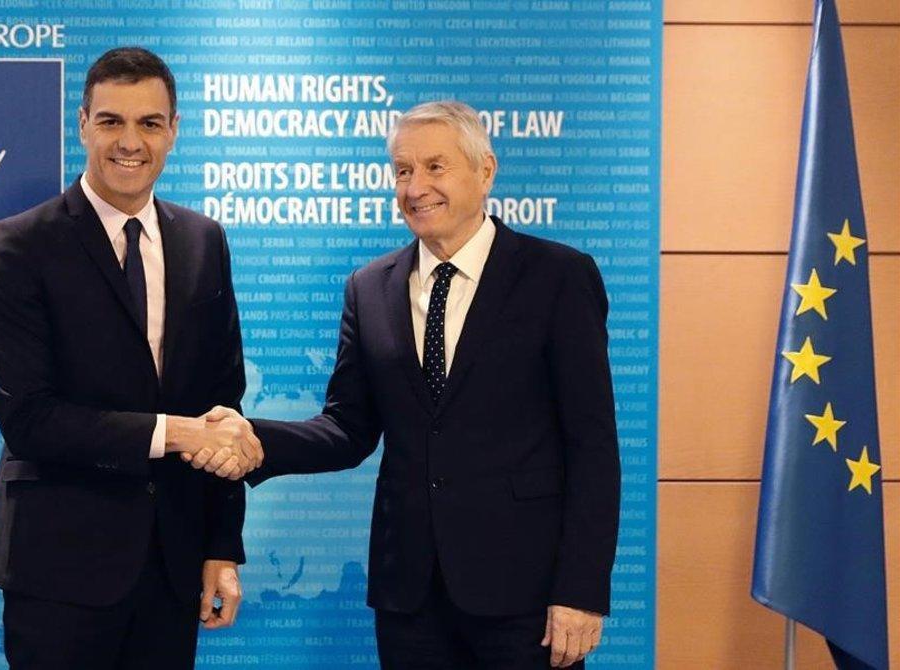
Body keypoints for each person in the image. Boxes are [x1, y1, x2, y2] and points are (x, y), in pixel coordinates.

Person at [202, 101, 620, 668]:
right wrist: (255, 438)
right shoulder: (370, 287)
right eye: (402, 170)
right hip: (410, 597)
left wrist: (581, 592)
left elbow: (592, 446)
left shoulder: (558, 278)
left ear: (486, 171)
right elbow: (348, 427)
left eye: (435, 167)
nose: (415, 186)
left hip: (525, 597)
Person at [0, 46, 261, 670]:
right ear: (82, 125)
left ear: (173, 131)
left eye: (149, 123)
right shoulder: (19, 246)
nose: (129, 142)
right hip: (58, 571)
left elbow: (223, 405)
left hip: (171, 565)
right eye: (111, 121)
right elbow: (28, 419)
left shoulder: (203, 242)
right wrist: (175, 433)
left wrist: (221, 547)